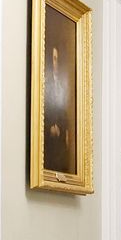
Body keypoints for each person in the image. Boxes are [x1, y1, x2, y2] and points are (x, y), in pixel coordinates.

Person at [44, 46, 75, 174]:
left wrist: (66, 132)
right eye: (53, 59)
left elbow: (64, 113)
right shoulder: (45, 84)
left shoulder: (62, 86)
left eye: (56, 59)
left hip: (61, 138)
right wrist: (49, 128)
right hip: (49, 140)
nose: (55, 63)